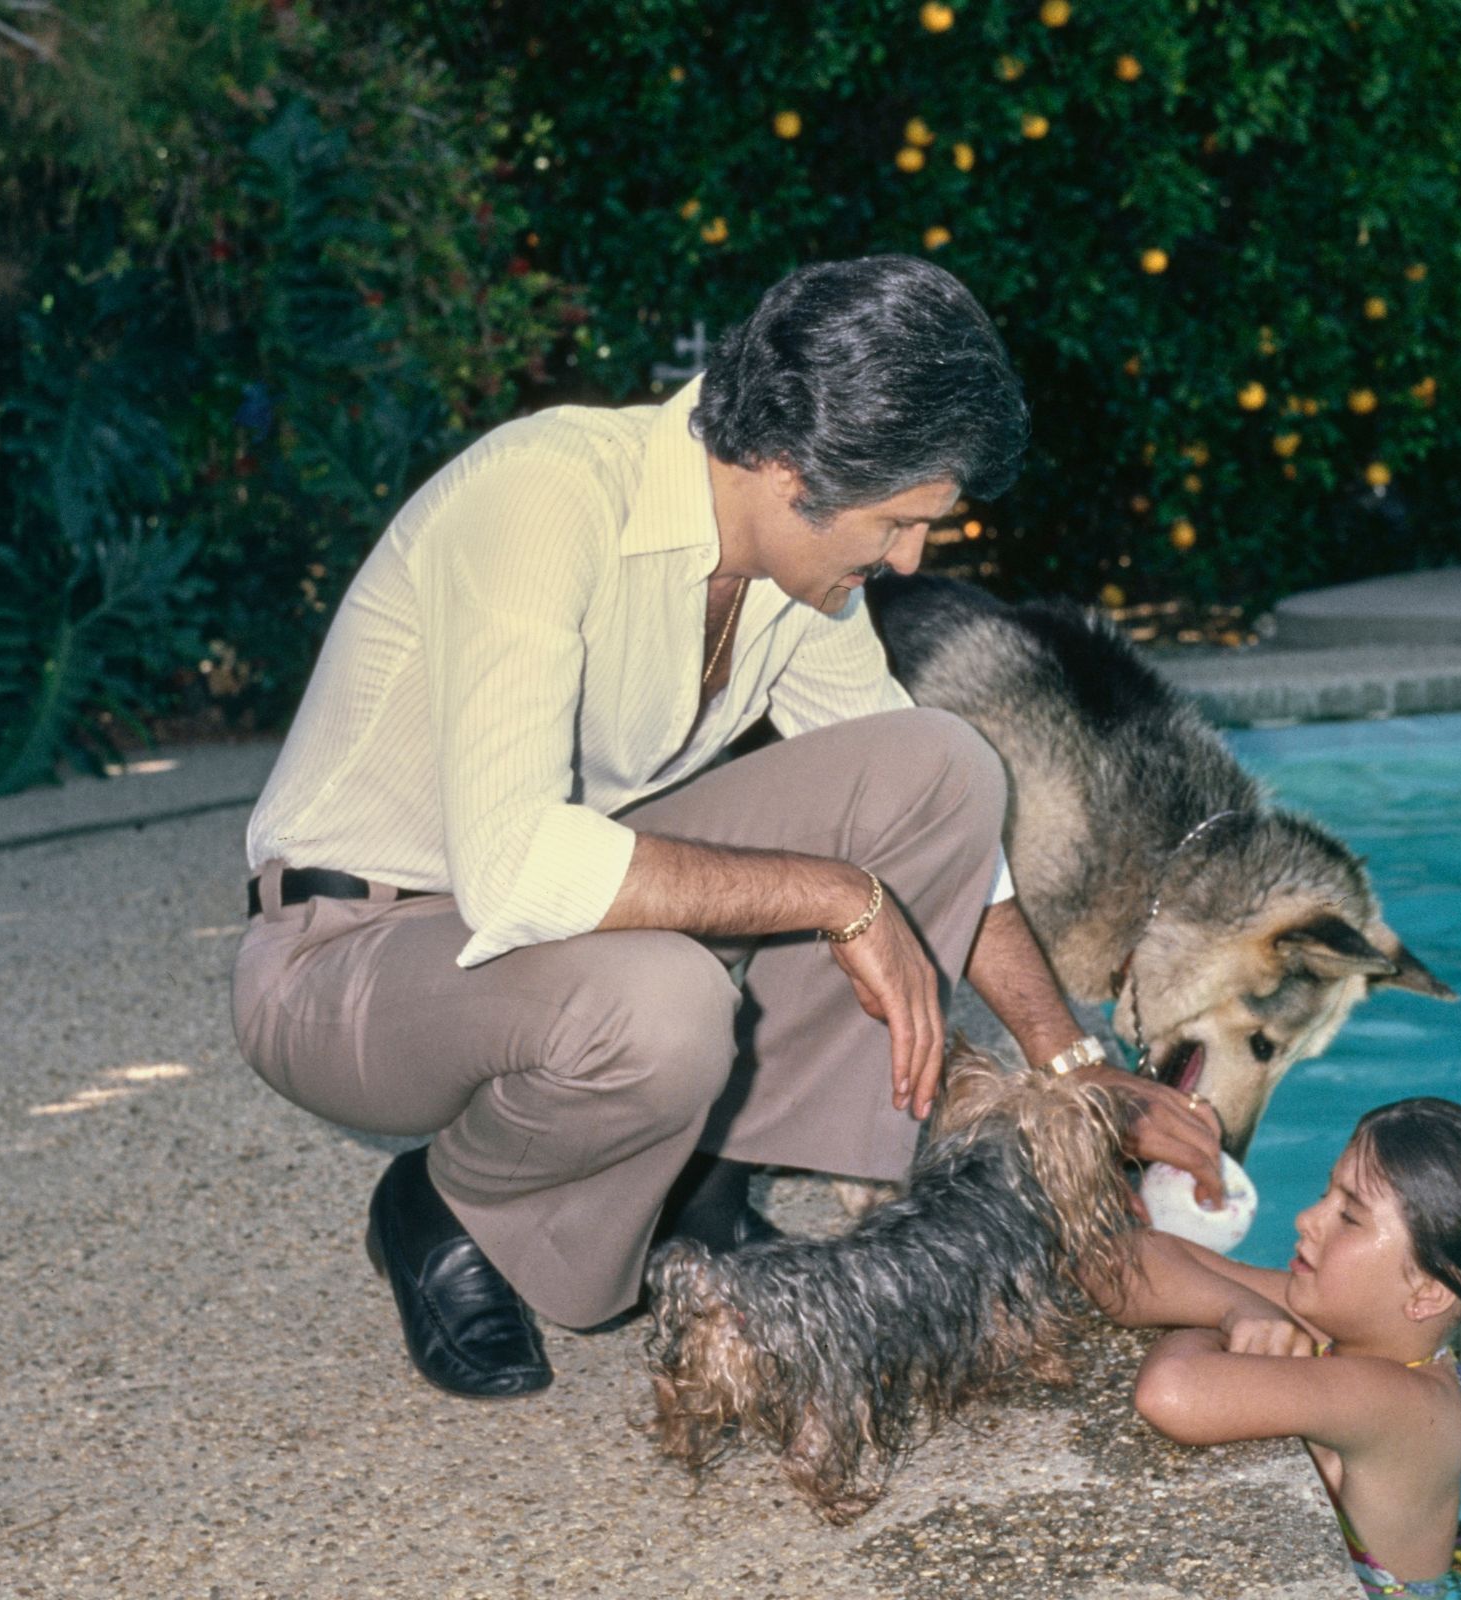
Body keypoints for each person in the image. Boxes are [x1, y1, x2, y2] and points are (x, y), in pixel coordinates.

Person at [232, 255, 1225, 1401]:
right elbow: (513, 872)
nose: (909, 560)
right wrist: (835, 897)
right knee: (665, 1003)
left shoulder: (793, 573)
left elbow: (932, 812)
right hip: (344, 956)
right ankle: (452, 1206)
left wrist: (1073, 1063)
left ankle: (699, 1187)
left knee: (943, 766)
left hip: (535, 940)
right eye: (899, 522)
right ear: (787, 465)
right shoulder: (543, 496)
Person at [1093, 1098, 1461, 1597]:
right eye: (1323, 1194)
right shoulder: (1369, 1325)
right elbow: (1120, 1261)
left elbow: (1171, 1394)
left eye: (1349, 1217)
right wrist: (1238, 1308)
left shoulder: (1404, 1402)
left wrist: (1215, 1325)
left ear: (1428, 1292)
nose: (1307, 1219)